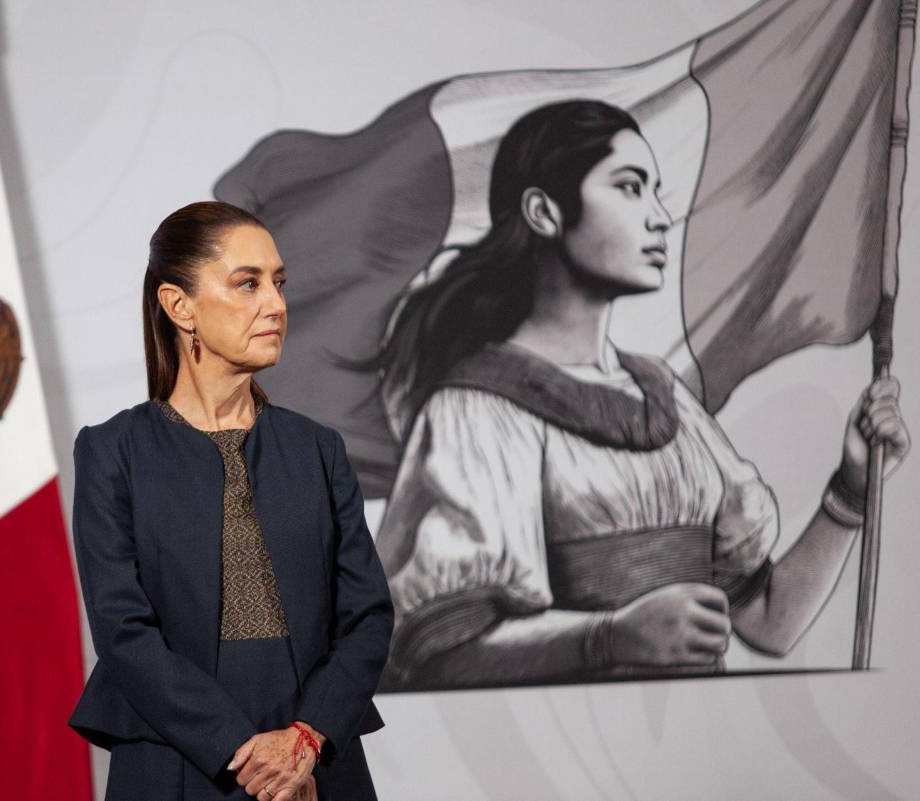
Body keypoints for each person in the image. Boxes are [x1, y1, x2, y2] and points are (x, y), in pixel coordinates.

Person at [372, 100, 911, 690]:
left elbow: (768, 623)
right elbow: (436, 653)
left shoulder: (667, 399)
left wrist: (851, 489)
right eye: (630, 188)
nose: (659, 217)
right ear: (544, 212)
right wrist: (609, 637)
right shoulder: (476, 411)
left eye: (656, 192)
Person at [68, 201, 394, 800]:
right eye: (248, 284)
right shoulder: (112, 452)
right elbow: (123, 631)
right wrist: (246, 753)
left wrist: (304, 740)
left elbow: (367, 616)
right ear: (179, 306)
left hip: (315, 763)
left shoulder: (318, 449)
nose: (275, 304)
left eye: (278, 283)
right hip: (175, 763)